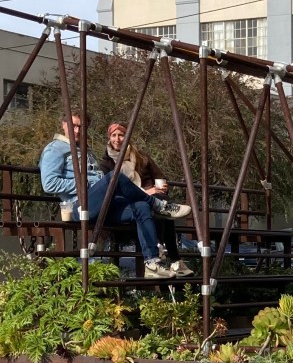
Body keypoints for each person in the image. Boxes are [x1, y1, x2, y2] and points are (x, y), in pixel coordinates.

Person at [39, 113, 191, 280]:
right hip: (80, 206)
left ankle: (152, 263)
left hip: (104, 205)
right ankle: (160, 206)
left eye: (81, 127)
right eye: (73, 126)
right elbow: (49, 184)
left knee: (141, 207)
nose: (77, 130)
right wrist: (86, 185)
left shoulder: (84, 150)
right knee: (115, 177)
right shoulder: (55, 149)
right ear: (63, 124)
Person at [101, 121, 193, 277]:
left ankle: (166, 254)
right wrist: (146, 192)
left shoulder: (142, 158)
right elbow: (114, 191)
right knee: (156, 207)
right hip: (130, 205)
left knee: (162, 205)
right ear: (109, 138)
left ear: (127, 137)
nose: (117, 139)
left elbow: (160, 177)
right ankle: (171, 256)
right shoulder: (106, 164)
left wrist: (162, 187)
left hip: (153, 201)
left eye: (121, 135)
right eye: (114, 135)